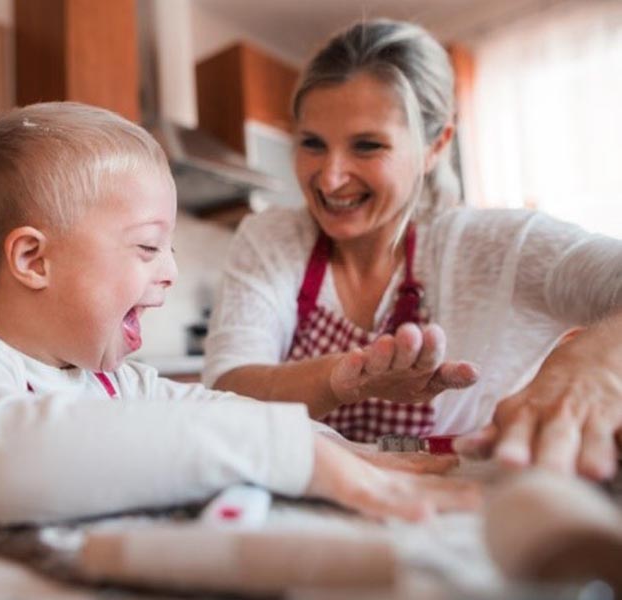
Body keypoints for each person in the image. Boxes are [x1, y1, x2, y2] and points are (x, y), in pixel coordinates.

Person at [0, 102, 478, 528]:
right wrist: (288, 456)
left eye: (169, 248)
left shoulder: (113, 381)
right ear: (34, 258)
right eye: (145, 247)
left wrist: (356, 453)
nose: (169, 269)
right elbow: (24, 459)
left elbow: (217, 413)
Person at [203, 19, 622, 480]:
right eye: (312, 144)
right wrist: (340, 380)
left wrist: (589, 366)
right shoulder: (271, 239)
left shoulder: (501, 244)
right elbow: (227, 389)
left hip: (454, 505)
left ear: (435, 145)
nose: (330, 177)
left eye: (367, 146)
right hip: (309, 492)